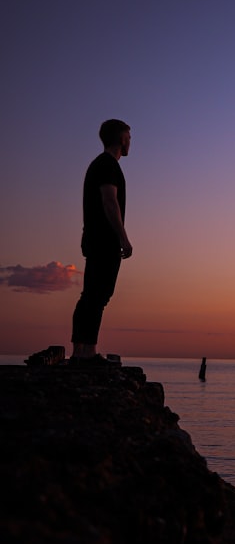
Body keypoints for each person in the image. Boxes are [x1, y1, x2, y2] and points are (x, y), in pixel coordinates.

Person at [70, 119, 133, 363]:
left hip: (96, 238)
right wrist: (123, 236)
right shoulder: (107, 165)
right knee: (98, 294)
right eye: (129, 136)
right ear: (120, 138)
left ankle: (82, 350)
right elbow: (110, 202)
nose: (130, 142)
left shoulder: (102, 165)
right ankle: (86, 352)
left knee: (94, 294)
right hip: (103, 239)